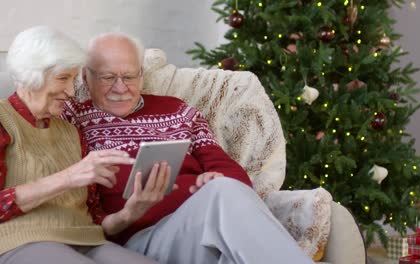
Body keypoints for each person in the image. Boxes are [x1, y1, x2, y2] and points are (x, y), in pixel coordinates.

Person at [62, 32, 315, 264]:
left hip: (202, 227)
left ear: (141, 74)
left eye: (128, 76)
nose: (120, 87)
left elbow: (231, 174)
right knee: (224, 198)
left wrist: (213, 178)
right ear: (86, 76)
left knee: (225, 197)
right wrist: (129, 214)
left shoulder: (177, 110)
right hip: (139, 238)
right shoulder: (72, 119)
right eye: (108, 77)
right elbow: (78, 213)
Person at [0, 26, 161, 264]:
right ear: (30, 76)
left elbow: (96, 219)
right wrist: (68, 177)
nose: (71, 91)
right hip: (23, 241)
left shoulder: (71, 132)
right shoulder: (4, 120)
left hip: (88, 241)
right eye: (63, 78)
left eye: (73, 79)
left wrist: (129, 213)